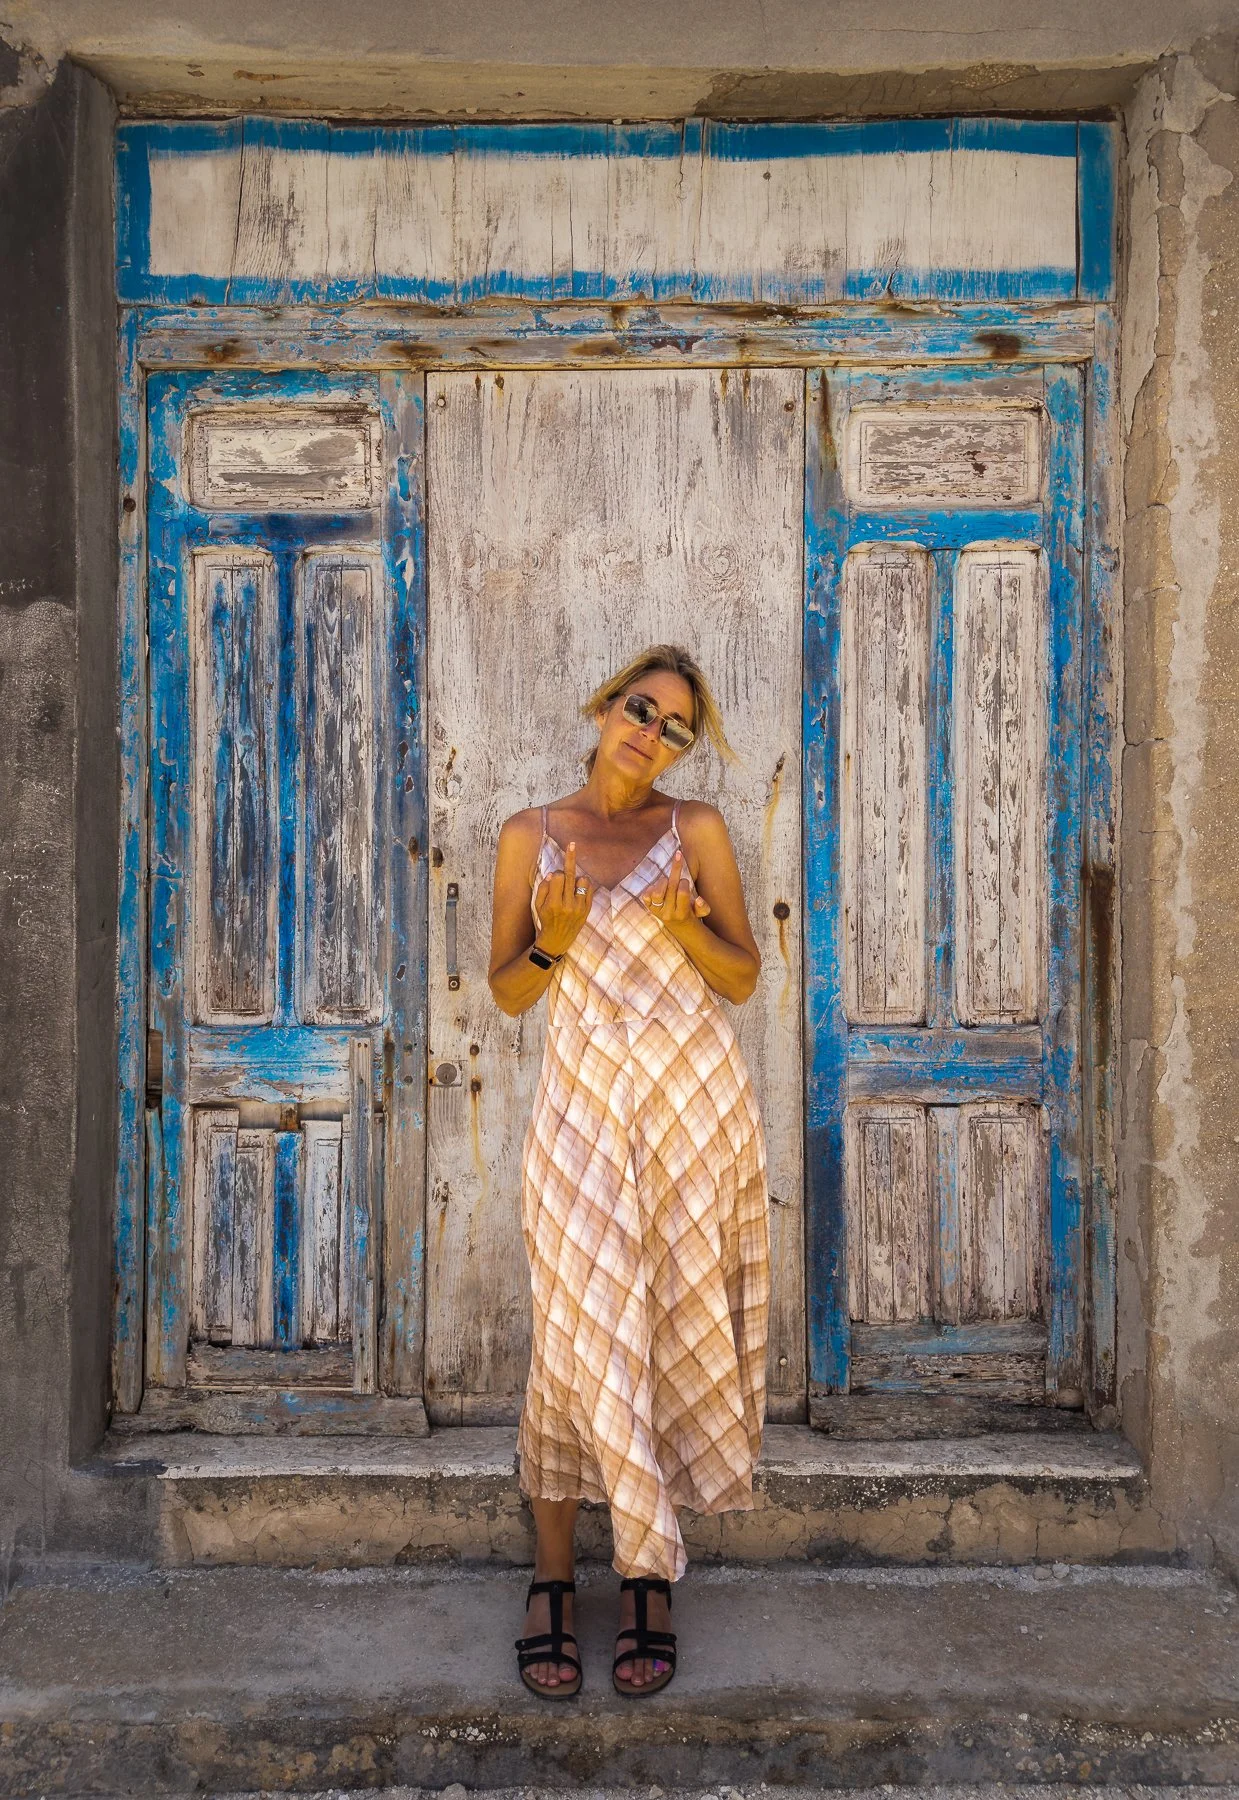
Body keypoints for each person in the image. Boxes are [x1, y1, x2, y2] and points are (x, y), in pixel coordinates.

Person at [487, 644, 770, 1700]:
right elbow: (511, 991)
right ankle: (554, 1576)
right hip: (580, 1122)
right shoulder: (532, 835)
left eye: (675, 729)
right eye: (640, 710)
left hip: (693, 1114)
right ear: (604, 705)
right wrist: (556, 943)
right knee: (575, 1339)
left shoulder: (695, 832)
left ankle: (648, 1576)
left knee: (667, 1335)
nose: (650, 735)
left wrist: (688, 925)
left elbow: (742, 977)